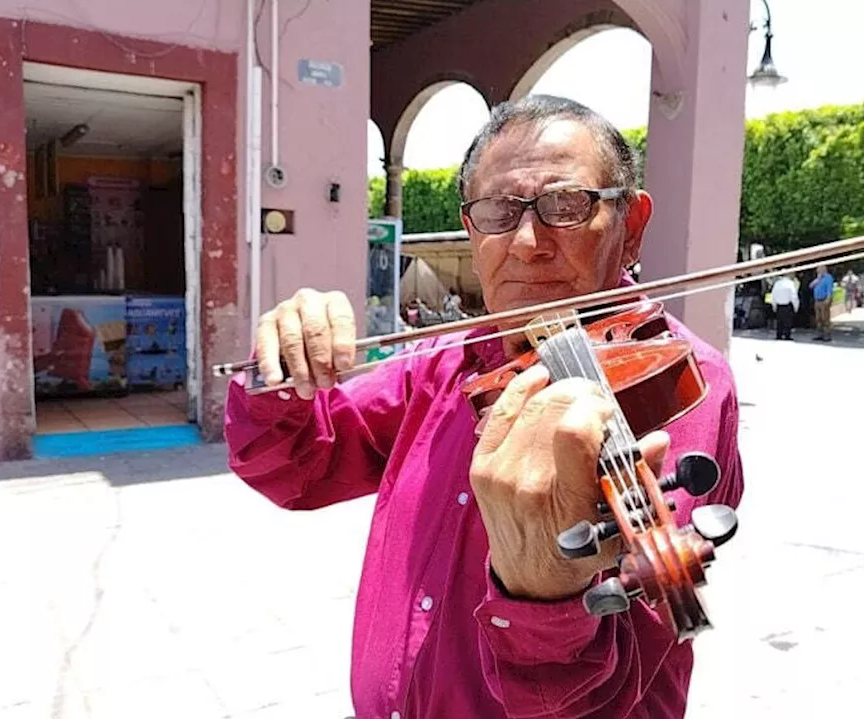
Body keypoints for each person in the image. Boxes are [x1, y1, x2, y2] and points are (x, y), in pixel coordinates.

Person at [223, 95, 745, 719]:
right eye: (499, 211)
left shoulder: (682, 383)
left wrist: (544, 593)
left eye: (565, 205)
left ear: (630, 225)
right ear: (473, 231)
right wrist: (283, 368)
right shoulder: (448, 359)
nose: (526, 242)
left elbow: (609, 683)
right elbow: (295, 466)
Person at [809, 265, 835, 341]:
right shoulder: (818, 278)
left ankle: (827, 335)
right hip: (817, 300)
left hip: (824, 299)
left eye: (819, 269)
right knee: (818, 318)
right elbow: (810, 286)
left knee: (825, 318)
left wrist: (828, 298)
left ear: (824, 269)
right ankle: (819, 334)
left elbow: (829, 289)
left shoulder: (828, 278)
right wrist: (818, 279)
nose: (817, 270)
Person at [770, 273, 799, 339]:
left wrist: (773, 306)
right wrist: (796, 307)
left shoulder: (777, 284)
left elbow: (773, 295)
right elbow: (794, 296)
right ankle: (787, 335)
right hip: (787, 306)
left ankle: (779, 335)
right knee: (788, 322)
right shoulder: (790, 284)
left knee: (779, 322)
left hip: (779, 306)